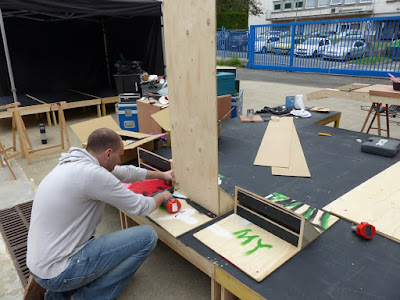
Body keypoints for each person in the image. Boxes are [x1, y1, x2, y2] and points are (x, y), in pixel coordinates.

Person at [25, 128, 176, 299]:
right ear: (108, 153)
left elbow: (126, 172)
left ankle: (56, 297)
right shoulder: (93, 175)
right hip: (56, 272)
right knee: (147, 237)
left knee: (97, 244)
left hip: (40, 265)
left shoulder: (77, 163)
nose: (119, 161)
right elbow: (139, 207)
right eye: (119, 155)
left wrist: (162, 174)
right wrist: (163, 196)